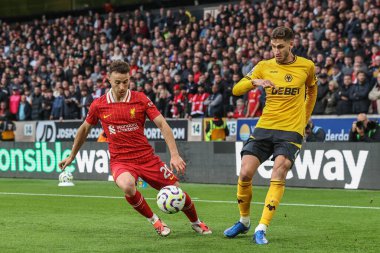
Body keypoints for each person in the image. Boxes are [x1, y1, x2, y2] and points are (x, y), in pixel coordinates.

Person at [58, 60, 211, 236]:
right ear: (108, 79)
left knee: (177, 191)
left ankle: (196, 222)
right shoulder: (98, 105)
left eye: (125, 81)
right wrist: (71, 156)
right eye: (117, 82)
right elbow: (84, 129)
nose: (122, 86)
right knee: (128, 186)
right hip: (121, 161)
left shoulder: (140, 99)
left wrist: (175, 155)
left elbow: (162, 124)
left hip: (147, 158)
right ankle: (156, 222)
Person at [224, 27, 317, 244]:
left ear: (291, 44)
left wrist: (304, 117)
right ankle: (244, 221)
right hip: (265, 127)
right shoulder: (263, 66)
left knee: (280, 170)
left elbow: (312, 90)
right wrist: (255, 82)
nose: (276, 51)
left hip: (291, 130)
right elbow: (236, 90)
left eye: (281, 47)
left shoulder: (306, 66)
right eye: (273, 46)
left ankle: (262, 227)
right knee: (245, 172)